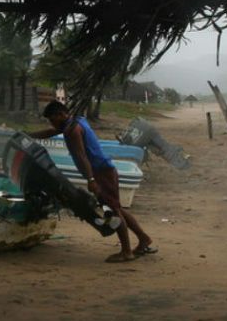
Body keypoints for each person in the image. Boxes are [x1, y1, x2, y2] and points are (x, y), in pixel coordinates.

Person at [30, 100, 156, 263]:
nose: (52, 123)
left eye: (53, 119)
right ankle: (143, 239)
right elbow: (51, 132)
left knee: (113, 212)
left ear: (61, 114)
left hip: (100, 173)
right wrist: (28, 135)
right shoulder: (77, 120)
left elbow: (82, 157)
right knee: (117, 208)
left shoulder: (72, 130)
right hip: (105, 169)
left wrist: (91, 180)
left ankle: (126, 252)